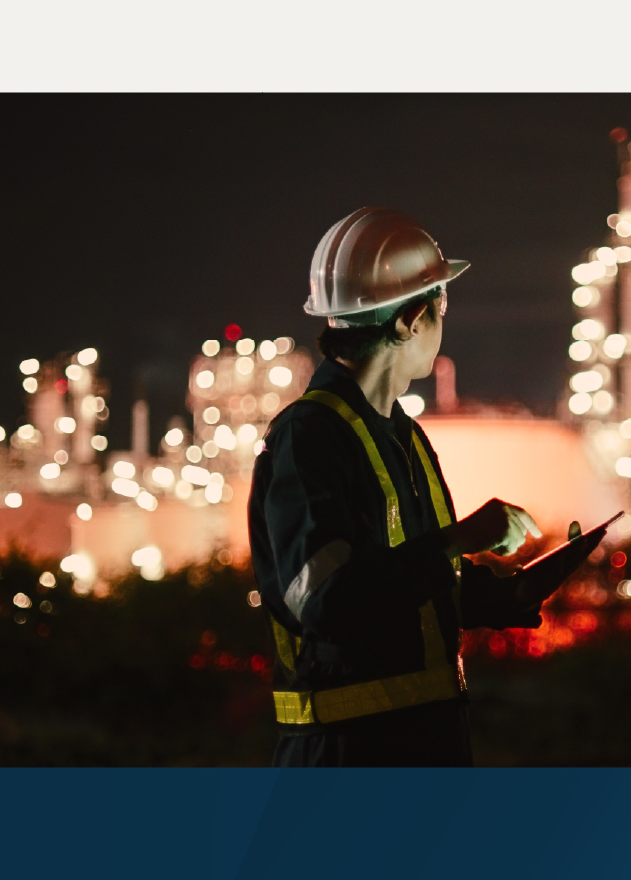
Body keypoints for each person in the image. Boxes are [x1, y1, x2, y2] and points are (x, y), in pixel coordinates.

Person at [249, 207, 599, 767]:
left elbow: (406, 584)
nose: (442, 322)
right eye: (441, 305)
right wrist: (458, 539)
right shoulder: (310, 437)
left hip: (425, 744)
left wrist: (501, 595)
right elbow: (326, 602)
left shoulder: (400, 435)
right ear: (412, 319)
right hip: (348, 759)